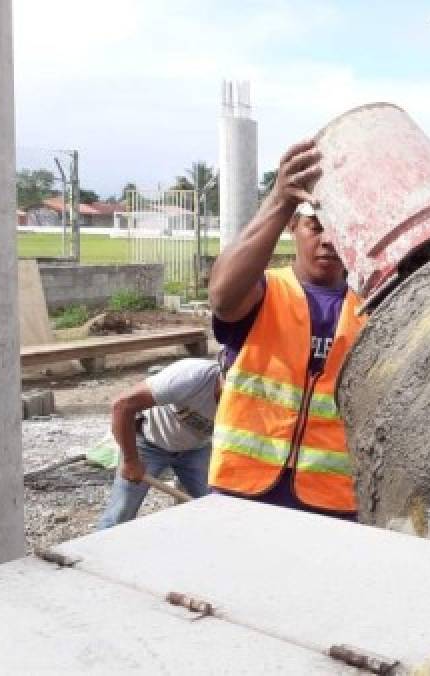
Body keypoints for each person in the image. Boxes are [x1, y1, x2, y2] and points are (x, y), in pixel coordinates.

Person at [207, 138, 366, 520]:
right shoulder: (265, 291)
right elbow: (222, 297)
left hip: (331, 499)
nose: (328, 240)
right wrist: (279, 201)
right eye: (316, 227)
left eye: (337, 229)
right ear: (294, 227)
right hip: (243, 488)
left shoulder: (369, 315)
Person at [95, 356, 223, 529]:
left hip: (196, 449)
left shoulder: (250, 399)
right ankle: (101, 550)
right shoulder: (191, 376)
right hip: (149, 444)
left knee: (217, 508)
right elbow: (121, 406)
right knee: (119, 514)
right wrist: (130, 461)